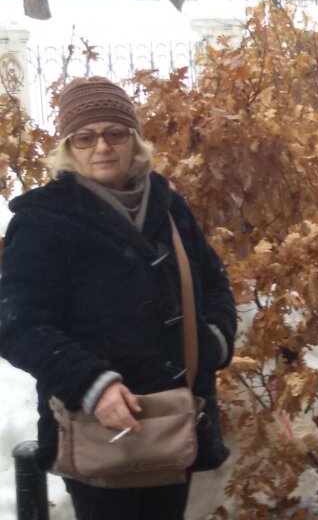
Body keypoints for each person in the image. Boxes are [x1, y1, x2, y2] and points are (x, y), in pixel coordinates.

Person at [0, 77, 237, 519]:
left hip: (176, 420)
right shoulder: (44, 222)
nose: (102, 147)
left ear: (134, 141)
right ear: (69, 149)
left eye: (115, 133)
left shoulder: (167, 204)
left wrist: (214, 341)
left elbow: (214, 280)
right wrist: (92, 384)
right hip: (100, 430)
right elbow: (17, 325)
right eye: (85, 137)